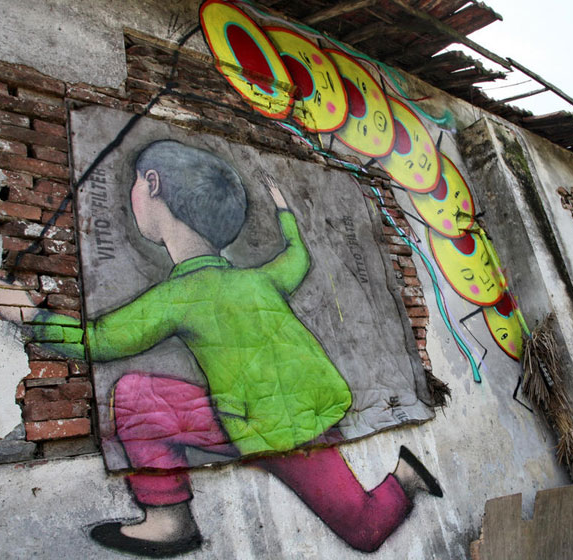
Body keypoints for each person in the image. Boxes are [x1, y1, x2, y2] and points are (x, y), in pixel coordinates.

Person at [26, 140, 443, 556]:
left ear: (152, 184)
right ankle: (171, 521)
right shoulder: (259, 280)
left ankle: (171, 519)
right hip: (282, 417)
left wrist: (34, 318)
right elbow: (298, 257)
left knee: (365, 529)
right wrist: (285, 214)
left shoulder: (180, 295)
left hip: (276, 429)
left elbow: (100, 339)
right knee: (364, 528)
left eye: (136, 181)